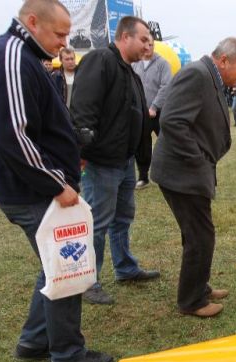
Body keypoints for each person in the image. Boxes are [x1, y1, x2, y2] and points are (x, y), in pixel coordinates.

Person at [0, 0, 112, 362]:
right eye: (60, 34)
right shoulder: (10, 56)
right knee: (66, 267)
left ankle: (34, 341)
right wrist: (57, 184)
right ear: (32, 22)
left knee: (54, 264)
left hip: (38, 188)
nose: (65, 43)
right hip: (34, 191)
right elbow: (14, 136)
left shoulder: (22, 56)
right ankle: (67, 353)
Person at [151, 37, 236, 318]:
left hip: (190, 172)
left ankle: (199, 287)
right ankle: (191, 300)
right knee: (200, 236)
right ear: (223, 61)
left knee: (196, 234)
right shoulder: (197, 74)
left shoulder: (209, 75)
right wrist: (197, 160)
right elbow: (170, 121)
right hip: (181, 173)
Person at [71, 16, 159, 306]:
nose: (148, 45)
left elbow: (137, 119)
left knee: (122, 219)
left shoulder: (131, 73)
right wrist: (82, 151)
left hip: (124, 163)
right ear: (125, 37)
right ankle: (87, 282)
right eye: (144, 39)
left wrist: (141, 161)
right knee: (96, 223)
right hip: (101, 162)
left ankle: (125, 268)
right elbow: (83, 108)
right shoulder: (101, 61)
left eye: (149, 41)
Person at [132, 32, 173, 188]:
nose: (148, 47)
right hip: (140, 113)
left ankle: (171, 174)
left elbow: (166, 86)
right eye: (146, 44)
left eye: (151, 45)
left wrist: (154, 106)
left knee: (166, 142)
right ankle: (143, 177)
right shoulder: (135, 64)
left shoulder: (163, 64)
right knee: (142, 145)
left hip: (159, 112)